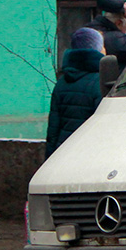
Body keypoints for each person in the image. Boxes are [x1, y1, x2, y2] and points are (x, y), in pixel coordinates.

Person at [46, 27, 105, 157]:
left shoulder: (62, 83)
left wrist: (49, 158)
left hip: (63, 151)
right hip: (88, 153)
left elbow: (53, 129)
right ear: (97, 49)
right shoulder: (100, 82)